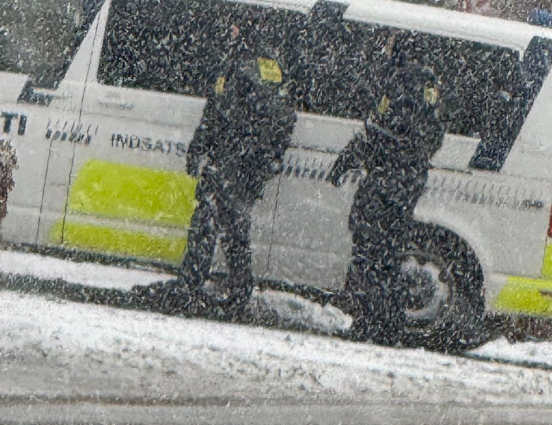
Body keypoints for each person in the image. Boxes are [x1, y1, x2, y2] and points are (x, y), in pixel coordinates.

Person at [142, 23, 295, 317]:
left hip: (241, 163)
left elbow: (280, 116)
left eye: (235, 27)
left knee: (226, 228)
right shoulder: (234, 61)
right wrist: (199, 146)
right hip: (225, 159)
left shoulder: (261, 65)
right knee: (213, 224)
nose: (230, 31)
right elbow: (215, 110)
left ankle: (227, 292)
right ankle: (202, 287)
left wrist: (259, 156)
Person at [327, 51, 444, 343]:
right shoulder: (427, 109)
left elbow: (374, 137)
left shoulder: (399, 96)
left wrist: (348, 162)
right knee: (388, 262)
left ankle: (368, 324)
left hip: (382, 192)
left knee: (368, 261)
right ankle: (387, 326)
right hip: (402, 193)